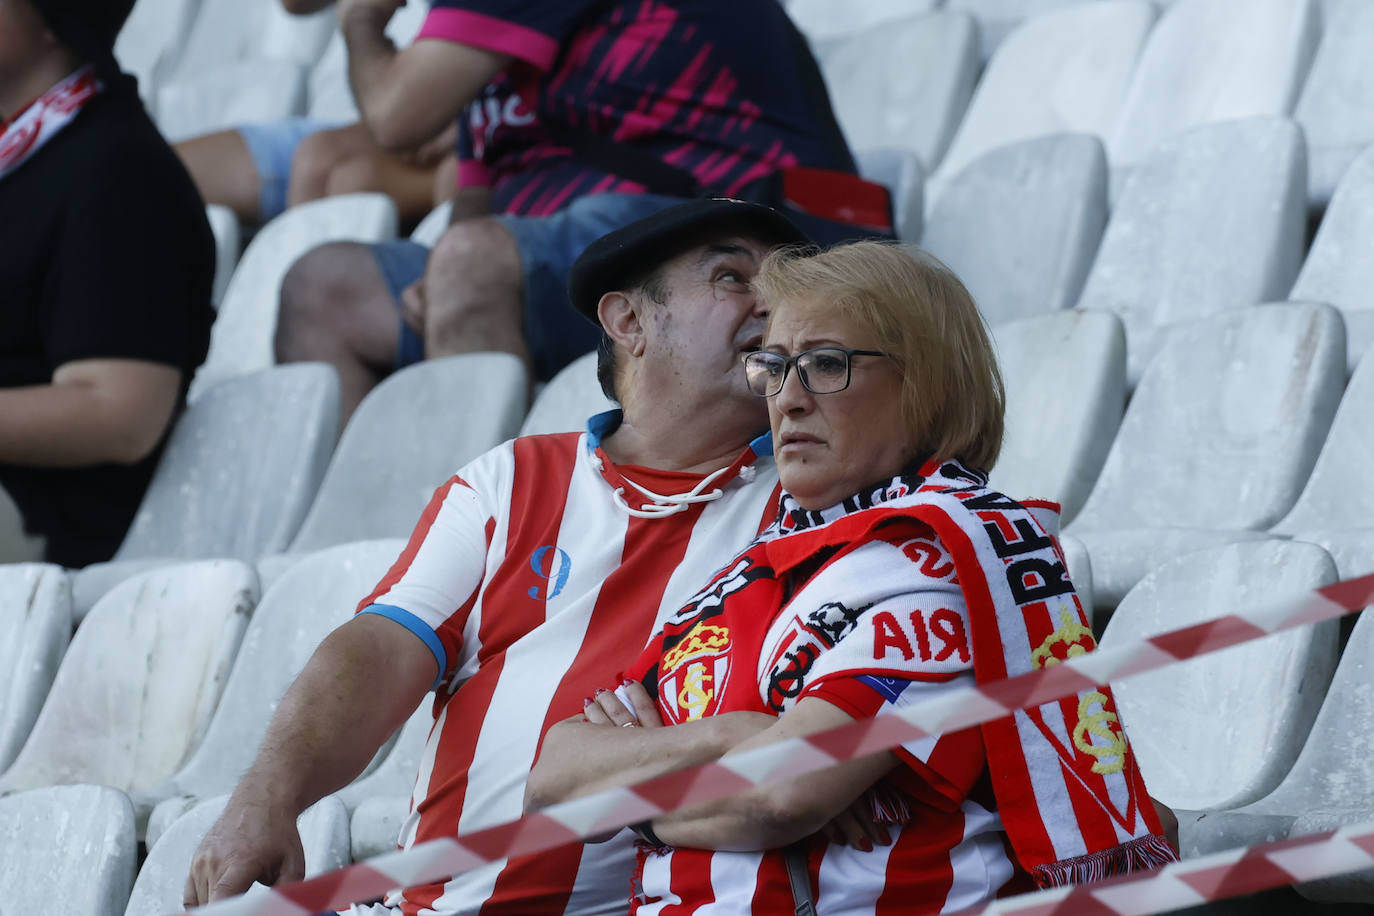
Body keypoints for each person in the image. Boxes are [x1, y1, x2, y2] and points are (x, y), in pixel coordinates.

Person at [186, 199, 820, 916]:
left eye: (789, 285)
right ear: (629, 322)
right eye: (734, 277)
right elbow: (380, 652)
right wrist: (264, 799)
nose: (773, 303)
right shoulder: (508, 481)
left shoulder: (814, 505)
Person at [526, 241, 1178, 913]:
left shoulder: (946, 562)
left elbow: (777, 796)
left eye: (826, 365)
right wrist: (734, 737)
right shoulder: (764, 557)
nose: (789, 400)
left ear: (929, 383)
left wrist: (631, 801)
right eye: (773, 368)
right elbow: (551, 776)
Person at [272, 0, 869, 422]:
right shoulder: (481, 44)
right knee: (326, 288)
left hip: (745, 226)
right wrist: (440, 274)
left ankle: (491, 547)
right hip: (587, 253)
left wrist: (360, 22)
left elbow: (397, 116)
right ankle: (390, 552)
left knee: (473, 263)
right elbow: (477, 189)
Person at [0, 0, 215, 568]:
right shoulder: (24, 152)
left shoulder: (119, 172)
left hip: (52, 530)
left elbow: (123, 415)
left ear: (53, 20)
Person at [173, 0, 453, 230]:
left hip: (436, 126)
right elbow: (296, 4)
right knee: (145, 173)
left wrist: (361, 19)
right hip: (368, 117)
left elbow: (399, 121)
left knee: (339, 177)